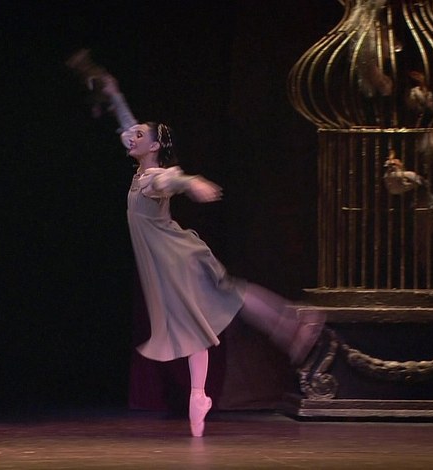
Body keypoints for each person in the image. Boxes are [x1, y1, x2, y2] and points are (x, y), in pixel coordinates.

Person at [97, 76, 325, 437]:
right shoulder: (141, 168)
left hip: (179, 257)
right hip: (167, 262)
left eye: (139, 135)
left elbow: (172, 181)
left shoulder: (153, 178)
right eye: (133, 134)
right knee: (195, 324)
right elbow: (127, 125)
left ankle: (294, 320)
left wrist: (192, 182)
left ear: (153, 146)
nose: (131, 137)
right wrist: (115, 95)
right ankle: (199, 395)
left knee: (227, 296)